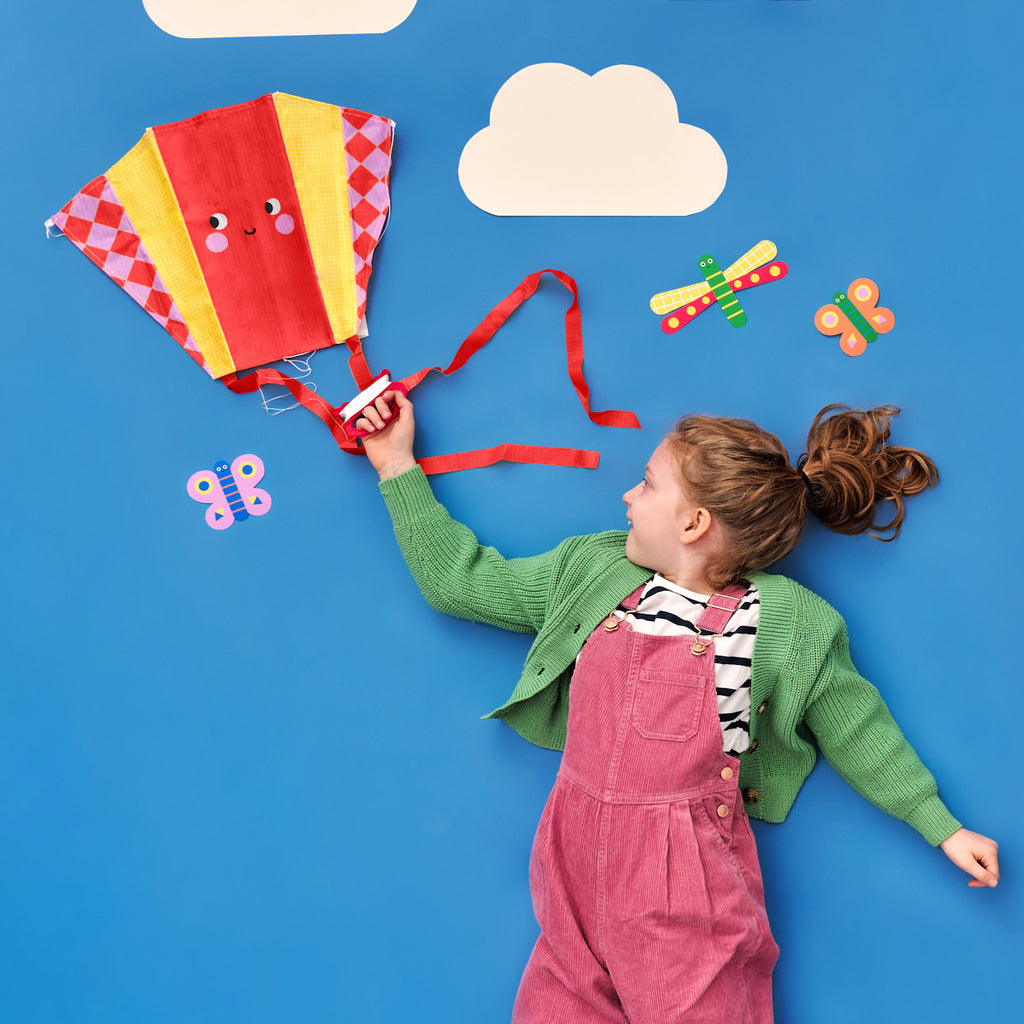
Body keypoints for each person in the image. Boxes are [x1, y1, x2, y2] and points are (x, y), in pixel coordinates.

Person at [356, 392, 999, 1024]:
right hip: (572, 881)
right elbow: (461, 582)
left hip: (686, 890)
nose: (628, 496)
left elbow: (857, 728)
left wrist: (941, 825)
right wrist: (394, 465)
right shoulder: (592, 572)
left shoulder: (785, 623)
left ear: (693, 524)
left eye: (646, 483)